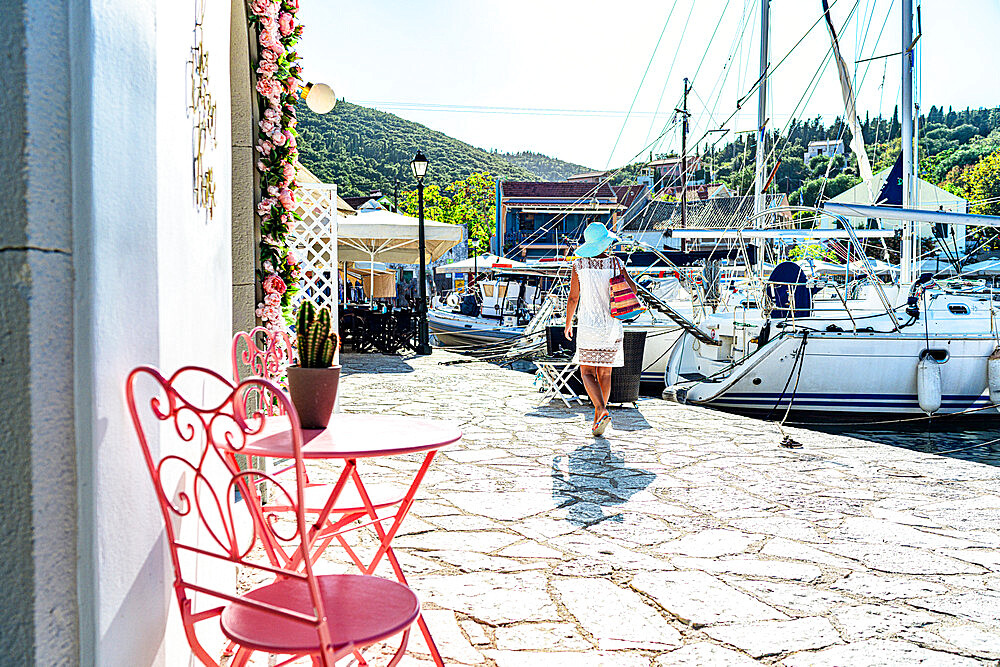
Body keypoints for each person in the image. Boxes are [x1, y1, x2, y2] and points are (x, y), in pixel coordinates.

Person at [564, 222, 638, 436]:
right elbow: (631, 289)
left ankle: (600, 410)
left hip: (588, 323)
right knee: (605, 372)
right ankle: (599, 419)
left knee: (586, 371)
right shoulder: (616, 263)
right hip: (612, 324)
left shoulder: (579, 265)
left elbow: (573, 298)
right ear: (605, 243)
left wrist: (568, 322)